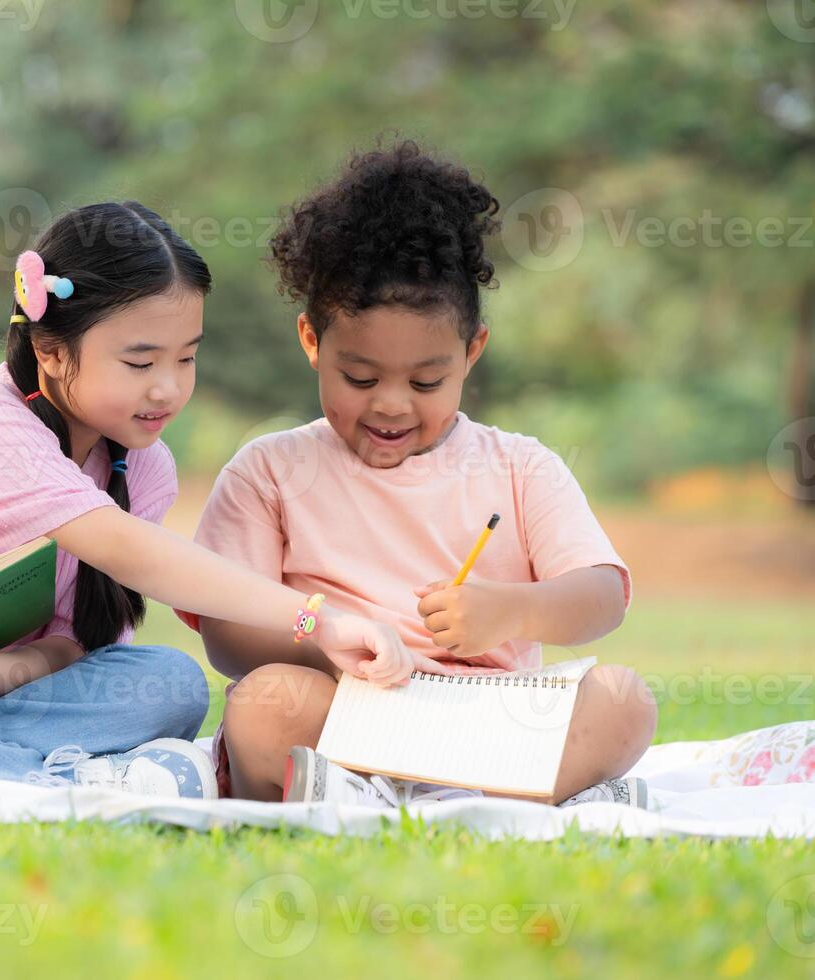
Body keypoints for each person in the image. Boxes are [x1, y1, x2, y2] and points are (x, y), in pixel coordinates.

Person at [0, 201, 439, 799]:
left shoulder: (141, 468)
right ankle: (20, 786)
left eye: (186, 357)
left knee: (171, 682)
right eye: (140, 361)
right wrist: (315, 616)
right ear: (53, 351)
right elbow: (132, 555)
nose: (168, 387)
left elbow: (73, 641)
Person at [179, 142, 659, 807]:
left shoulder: (518, 466)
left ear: (472, 351)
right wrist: (328, 644)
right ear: (312, 342)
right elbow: (229, 635)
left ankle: (379, 795)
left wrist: (512, 611)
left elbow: (602, 596)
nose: (392, 404)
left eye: (427, 380)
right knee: (264, 705)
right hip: (348, 708)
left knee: (624, 700)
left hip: (491, 718)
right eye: (361, 377)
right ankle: (497, 798)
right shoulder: (270, 470)